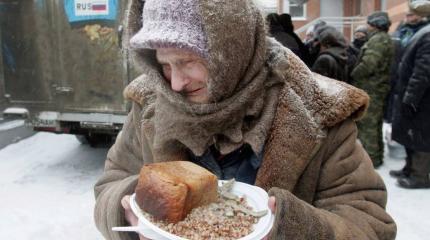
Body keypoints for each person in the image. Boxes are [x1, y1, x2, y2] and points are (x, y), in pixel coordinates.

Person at [94, 1, 396, 239]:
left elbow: (369, 222)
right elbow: (111, 181)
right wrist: (133, 209)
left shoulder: (319, 111)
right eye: (165, 65)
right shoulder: (150, 103)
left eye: (187, 61)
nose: (175, 84)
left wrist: (290, 231)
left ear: (232, 50)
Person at [390, 6, 430, 189]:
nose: (406, 17)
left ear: (423, 16)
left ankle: (419, 176)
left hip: (422, 100)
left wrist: (411, 98)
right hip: (412, 95)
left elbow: (423, 71)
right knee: (409, 134)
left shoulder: (427, 35)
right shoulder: (419, 32)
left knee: (420, 137)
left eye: (411, 14)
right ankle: (409, 168)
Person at [350, 11, 394, 168]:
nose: (367, 26)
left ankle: (370, 161)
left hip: (372, 88)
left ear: (375, 24)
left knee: (368, 126)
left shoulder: (377, 41)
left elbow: (369, 64)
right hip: (377, 88)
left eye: (369, 23)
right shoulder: (383, 39)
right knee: (374, 125)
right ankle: (377, 157)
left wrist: (353, 74)